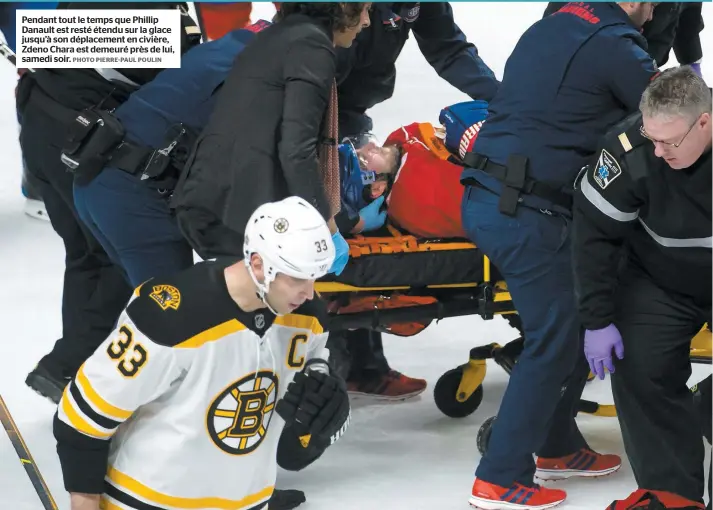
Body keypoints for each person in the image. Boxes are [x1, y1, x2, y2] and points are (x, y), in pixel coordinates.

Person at [459, 3, 659, 508]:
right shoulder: (617, 45)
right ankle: (499, 476)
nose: (655, 14)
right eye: (654, 3)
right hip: (527, 209)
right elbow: (671, 116)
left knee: (573, 325)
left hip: (492, 195)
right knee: (556, 336)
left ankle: (556, 444)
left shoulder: (551, 25)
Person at [53, 196, 352, 510]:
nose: (309, 292)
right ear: (259, 264)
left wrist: (318, 420)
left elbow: (291, 451)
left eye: (314, 278)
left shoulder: (308, 319)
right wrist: (84, 500)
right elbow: (81, 418)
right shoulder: (170, 316)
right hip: (145, 501)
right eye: (297, 277)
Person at [17, 2, 201, 405]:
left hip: (44, 119)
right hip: (78, 134)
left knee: (86, 253)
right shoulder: (154, 17)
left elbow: (42, 45)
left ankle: (71, 369)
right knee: (117, 249)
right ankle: (78, 369)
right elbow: (186, 83)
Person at [328, 3, 500, 398]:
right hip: (307, 100)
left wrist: (506, 101)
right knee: (329, 230)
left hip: (348, 106)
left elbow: (450, 50)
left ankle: (363, 368)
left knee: (356, 235)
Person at [572, 66, 711, 507]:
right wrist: (597, 320)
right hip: (661, 278)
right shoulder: (631, 148)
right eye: (652, 138)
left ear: (704, 122)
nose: (659, 151)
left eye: (670, 141)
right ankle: (671, 495)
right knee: (641, 368)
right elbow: (593, 235)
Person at [172, 3, 372, 275]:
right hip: (235, 209)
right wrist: (328, 228)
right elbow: (296, 151)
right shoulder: (312, 47)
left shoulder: (279, 35)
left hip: (211, 195)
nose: (367, 21)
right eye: (365, 9)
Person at [72, 19, 272, 288]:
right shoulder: (271, 72)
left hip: (100, 168)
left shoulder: (236, 42)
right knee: (170, 318)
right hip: (134, 191)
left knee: (120, 300)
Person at [336, 100, 489, 240]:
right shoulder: (419, 205)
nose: (369, 147)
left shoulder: (396, 141)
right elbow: (490, 210)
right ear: (376, 188)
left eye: (357, 146)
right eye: (363, 159)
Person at [544, 2, 705, 74]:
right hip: (588, 70)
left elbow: (689, 22)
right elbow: (554, 29)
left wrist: (693, 67)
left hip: (646, 64)